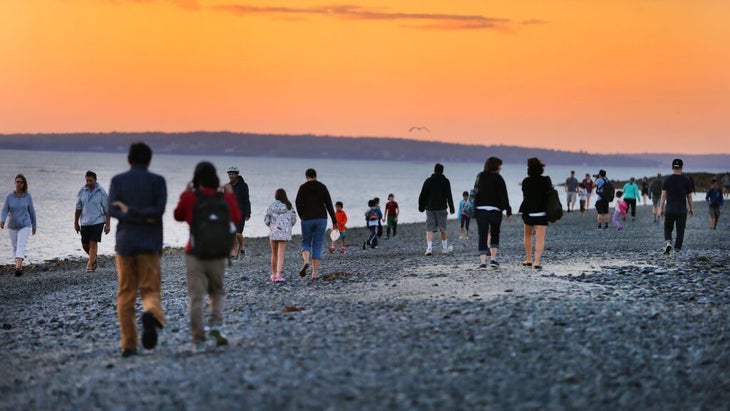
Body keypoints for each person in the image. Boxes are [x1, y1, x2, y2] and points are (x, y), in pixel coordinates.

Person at [173, 162, 240, 352]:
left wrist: (185, 193)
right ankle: (216, 324)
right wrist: (230, 196)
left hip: (195, 253)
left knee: (196, 297)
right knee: (217, 291)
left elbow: (178, 215)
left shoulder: (192, 197)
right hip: (218, 253)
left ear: (196, 178)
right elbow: (235, 217)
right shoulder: (223, 198)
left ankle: (198, 340)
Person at [108, 142, 167, 358]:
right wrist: (144, 215)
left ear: (129, 159)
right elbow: (158, 210)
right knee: (150, 290)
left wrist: (129, 213)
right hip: (150, 244)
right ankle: (150, 314)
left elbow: (111, 209)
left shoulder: (118, 181)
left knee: (126, 293)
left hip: (125, 244)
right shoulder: (158, 182)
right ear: (149, 160)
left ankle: (129, 345)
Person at [295, 168, 337, 280]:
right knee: (317, 244)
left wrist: (302, 215)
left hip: (307, 219)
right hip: (321, 218)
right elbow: (329, 204)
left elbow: (298, 203)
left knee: (306, 242)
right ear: (316, 175)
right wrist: (334, 221)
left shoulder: (302, 188)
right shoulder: (322, 187)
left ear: (306, 176)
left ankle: (306, 261)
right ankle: (314, 273)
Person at [474, 157, 512, 269]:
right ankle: (493, 260)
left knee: (482, 234)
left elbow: (475, 191)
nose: (500, 168)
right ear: (495, 166)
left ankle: (482, 262)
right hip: (495, 211)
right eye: (499, 165)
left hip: (481, 210)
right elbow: (504, 196)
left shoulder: (479, 176)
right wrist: (508, 211)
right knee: (495, 233)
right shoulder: (499, 178)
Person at [74, 170, 111, 273]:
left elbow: (107, 209)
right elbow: (78, 208)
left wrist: (108, 224)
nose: (89, 182)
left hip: (98, 220)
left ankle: (90, 266)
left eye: (91, 180)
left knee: (93, 242)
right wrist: (76, 223)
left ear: (95, 180)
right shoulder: (82, 191)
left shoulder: (101, 192)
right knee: (85, 244)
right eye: (87, 180)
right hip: (85, 222)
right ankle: (93, 258)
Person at [1, 174, 37, 276]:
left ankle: (18, 266)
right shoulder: (9, 197)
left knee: (21, 245)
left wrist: (34, 225)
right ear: (14, 183)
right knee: (15, 246)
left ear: (24, 184)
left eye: (21, 182)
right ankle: (18, 265)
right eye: (17, 182)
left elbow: (32, 212)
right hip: (12, 226)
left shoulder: (27, 197)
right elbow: (4, 210)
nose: (19, 184)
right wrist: (2, 220)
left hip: (25, 225)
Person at [519, 158, 552, 270]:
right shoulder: (546, 180)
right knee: (540, 238)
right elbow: (549, 195)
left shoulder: (526, 181)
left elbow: (525, 196)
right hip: (542, 213)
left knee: (527, 235)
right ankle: (537, 262)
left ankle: (528, 259)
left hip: (529, 212)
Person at [418, 163, 455, 256]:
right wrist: (452, 208)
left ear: (434, 170)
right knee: (443, 228)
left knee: (429, 228)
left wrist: (421, 207)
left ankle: (429, 248)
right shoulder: (445, 181)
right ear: (442, 171)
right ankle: (444, 248)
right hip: (441, 208)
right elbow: (449, 195)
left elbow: (422, 195)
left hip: (430, 208)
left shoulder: (428, 180)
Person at [659, 159, 694, 255]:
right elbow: (689, 197)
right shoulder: (686, 180)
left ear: (672, 167)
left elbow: (663, 196)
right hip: (682, 209)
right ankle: (677, 249)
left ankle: (668, 242)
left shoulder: (667, 179)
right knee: (680, 230)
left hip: (670, 208)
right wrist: (691, 208)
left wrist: (660, 208)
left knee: (668, 228)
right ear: (682, 167)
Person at [264, 188, 297, 282]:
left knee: (274, 254)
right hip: (284, 233)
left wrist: (271, 226)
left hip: (274, 232)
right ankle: (279, 275)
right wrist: (288, 226)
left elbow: (266, 220)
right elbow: (294, 219)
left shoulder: (271, 206)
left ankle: (273, 274)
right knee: (281, 254)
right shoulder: (289, 206)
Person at [225, 166, 251, 259]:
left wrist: (248, 213)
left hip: (241, 212)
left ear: (237, 174)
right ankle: (234, 252)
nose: (231, 176)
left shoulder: (243, 186)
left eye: (232, 174)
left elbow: (246, 200)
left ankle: (242, 246)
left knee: (238, 233)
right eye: (229, 174)